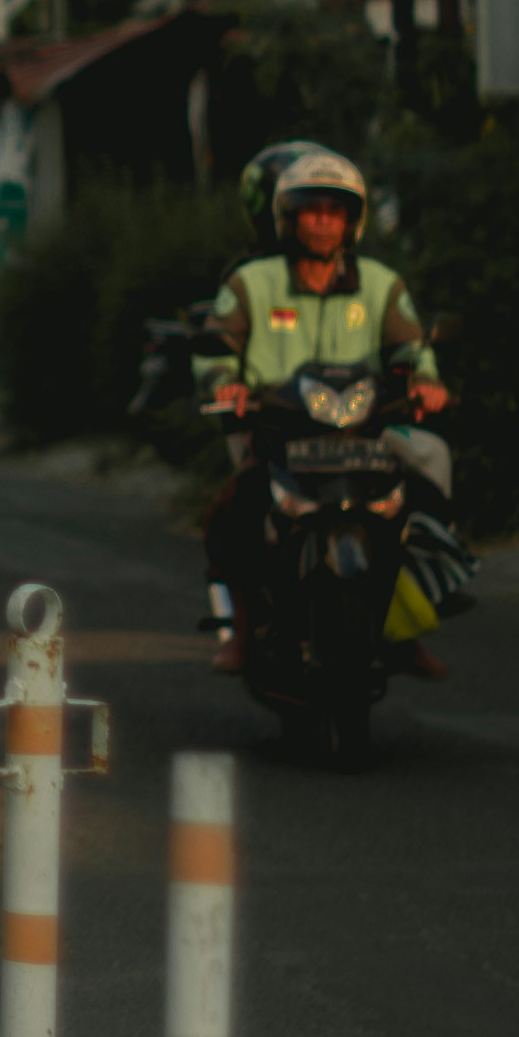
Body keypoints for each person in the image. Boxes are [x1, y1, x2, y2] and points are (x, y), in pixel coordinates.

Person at [196, 146, 452, 671]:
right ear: (287, 217)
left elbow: (411, 347)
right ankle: (242, 633)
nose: (323, 222)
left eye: (335, 212)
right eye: (311, 210)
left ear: (352, 221)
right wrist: (226, 385)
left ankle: (408, 620)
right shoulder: (251, 282)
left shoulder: (382, 284)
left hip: (364, 429)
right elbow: (216, 348)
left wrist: (426, 382)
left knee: (427, 475)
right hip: (273, 425)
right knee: (239, 511)